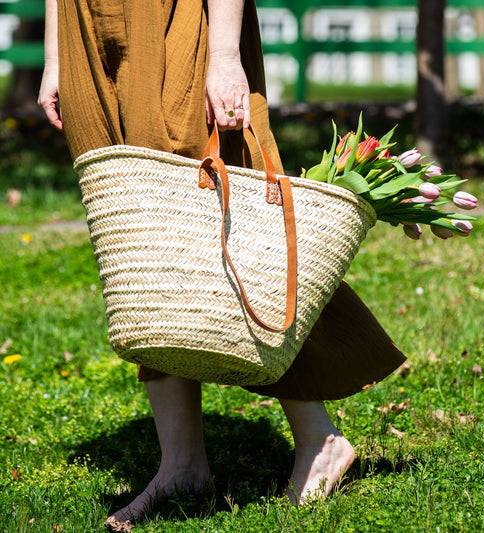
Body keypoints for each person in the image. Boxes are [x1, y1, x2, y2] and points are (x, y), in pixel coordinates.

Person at [38, 0, 406, 528]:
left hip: (173, 16)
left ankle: (318, 436)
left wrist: (225, 53)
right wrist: (56, 53)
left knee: (212, 209)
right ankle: (182, 463)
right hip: (83, 23)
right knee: (139, 234)